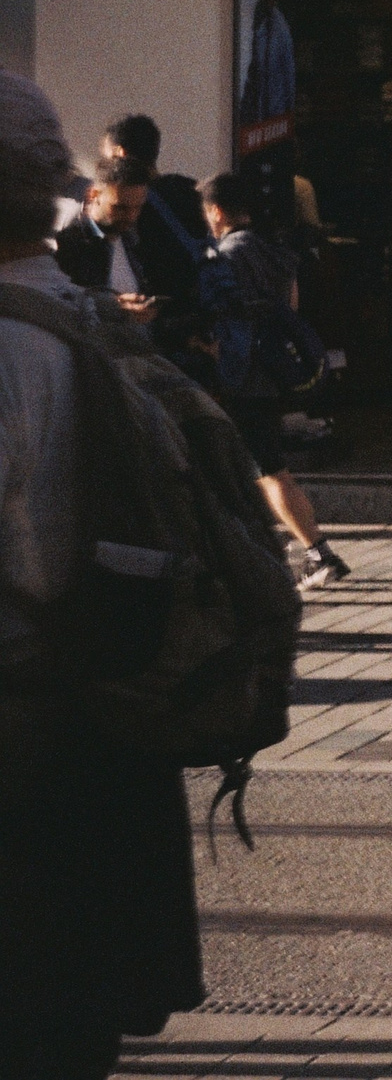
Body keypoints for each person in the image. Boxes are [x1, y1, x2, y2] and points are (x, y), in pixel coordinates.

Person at [0, 75, 205, 1079]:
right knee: (67, 1027)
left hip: (25, 729)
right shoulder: (86, 324)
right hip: (103, 721)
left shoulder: (14, 348)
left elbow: (34, 563)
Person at [198, 171, 349, 593]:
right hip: (271, 373)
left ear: (216, 211)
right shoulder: (274, 250)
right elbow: (291, 308)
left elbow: (223, 319)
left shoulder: (226, 254)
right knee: (262, 468)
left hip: (241, 377)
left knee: (269, 470)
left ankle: (318, 553)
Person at [99, 113, 206, 336]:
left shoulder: (130, 208)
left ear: (120, 154)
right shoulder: (191, 190)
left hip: (161, 323)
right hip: (201, 320)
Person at [56, 154, 162, 331]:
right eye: (120, 207)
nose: (131, 216)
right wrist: (112, 307)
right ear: (94, 195)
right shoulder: (69, 242)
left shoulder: (133, 241)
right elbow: (59, 301)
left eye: (138, 207)